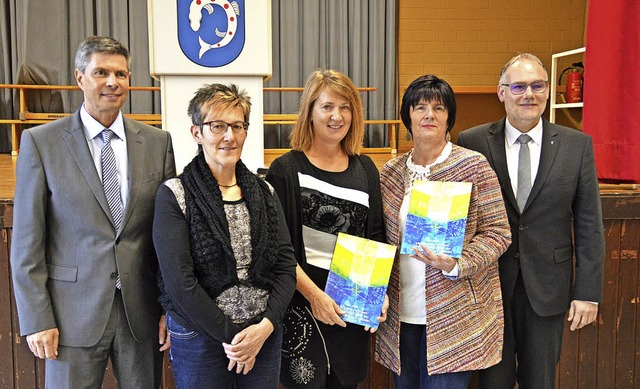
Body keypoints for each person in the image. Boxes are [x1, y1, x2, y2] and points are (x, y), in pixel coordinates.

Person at [10, 36, 175, 388]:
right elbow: (26, 243)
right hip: (71, 318)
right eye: (101, 72)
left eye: (121, 74)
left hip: (140, 316)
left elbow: (167, 240)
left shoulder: (158, 143)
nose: (112, 82)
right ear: (79, 77)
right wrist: (37, 318)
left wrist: (170, 309)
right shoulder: (42, 143)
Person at [457, 53, 605, 389]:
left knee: (540, 381)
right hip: (489, 286)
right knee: (494, 382)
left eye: (538, 86)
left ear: (548, 91)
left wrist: (588, 293)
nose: (529, 94)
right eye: (519, 86)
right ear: (501, 92)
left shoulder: (576, 146)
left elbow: (589, 224)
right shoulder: (473, 142)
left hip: (549, 288)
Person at [152, 83, 297, 389]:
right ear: (197, 133)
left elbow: (285, 268)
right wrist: (235, 338)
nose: (229, 136)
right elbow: (180, 282)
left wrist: (264, 328)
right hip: (198, 335)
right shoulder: (175, 194)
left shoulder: (265, 192)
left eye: (237, 126)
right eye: (217, 126)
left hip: (263, 336)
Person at [374, 74, 512, 388]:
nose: (429, 115)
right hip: (400, 316)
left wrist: (457, 263)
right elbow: (379, 237)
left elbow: (498, 232)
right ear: (407, 115)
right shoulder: (391, 172)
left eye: (438, 108)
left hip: (455, 316)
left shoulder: (473, 166)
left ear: (449, 116)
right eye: (420, 107)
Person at [265, 69, 388, 389]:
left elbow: (375, 238)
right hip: (302, 310)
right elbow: (279, 251)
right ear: (310, 112)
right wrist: (314, 297)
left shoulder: (365, 169)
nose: (337, 116)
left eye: (345, 107)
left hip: (350, 314)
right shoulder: (286, 169)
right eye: (328, 107)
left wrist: (379, 292)